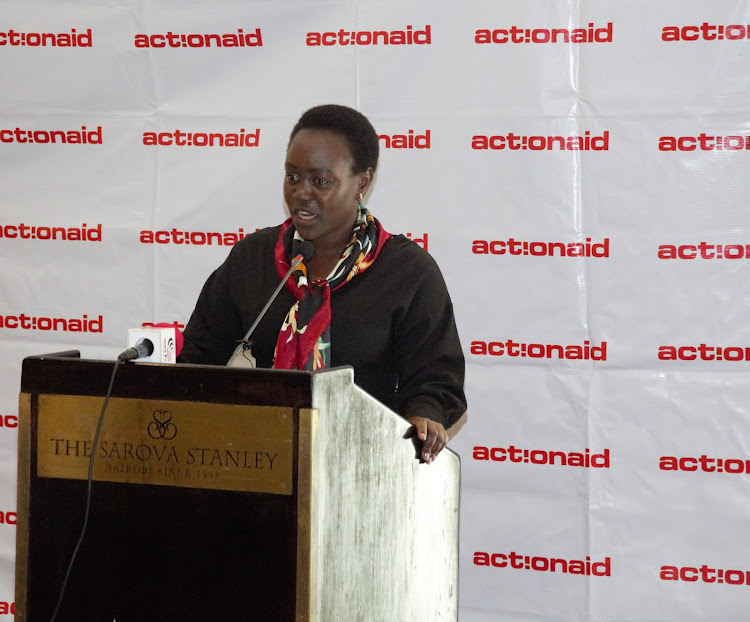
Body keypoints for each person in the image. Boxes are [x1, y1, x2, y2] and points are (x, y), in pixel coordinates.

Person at [177, 104, 466, 463]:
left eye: (321, 181)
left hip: (368, 466)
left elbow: (436, 380)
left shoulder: (407, 273)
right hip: (263, 460)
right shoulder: (253, 259)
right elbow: (199, 357)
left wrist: (425, 416)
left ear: (362, 182)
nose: (301, 193)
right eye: (293, 177)